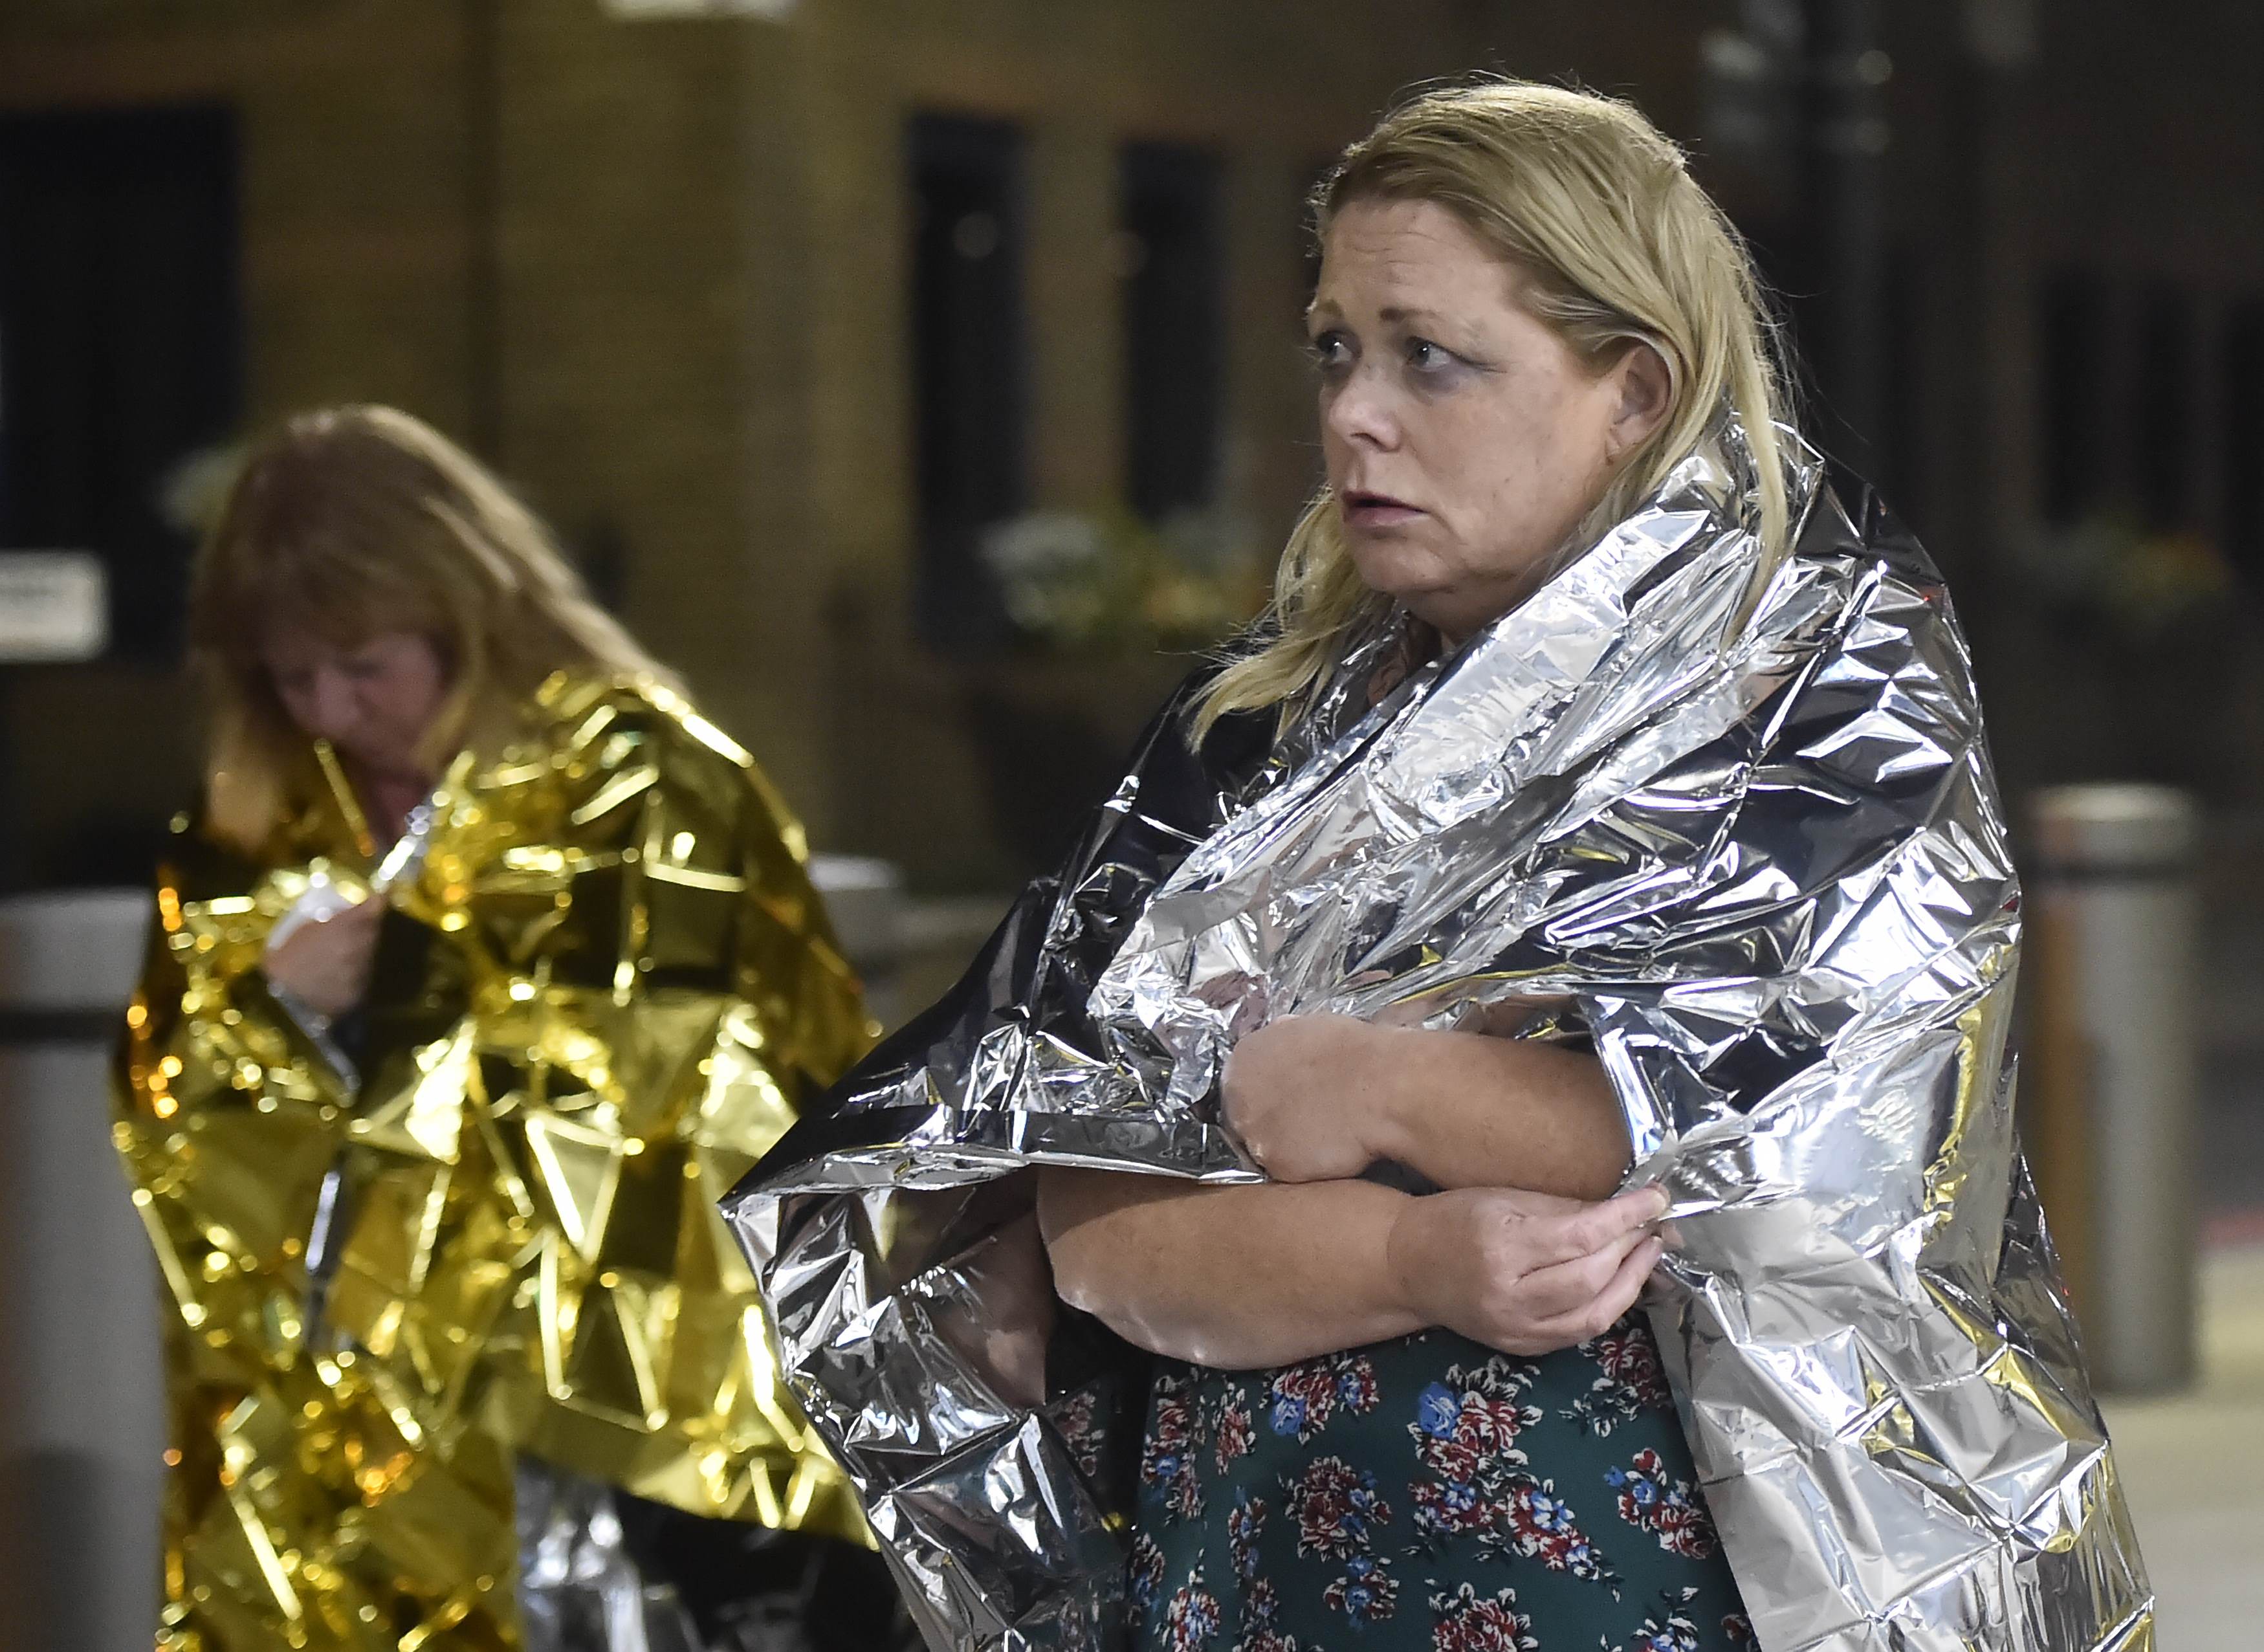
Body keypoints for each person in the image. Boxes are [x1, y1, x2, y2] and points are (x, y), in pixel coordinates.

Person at [729, 75, 2149, 1652]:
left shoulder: (1806, 706)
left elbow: (1779, 1156)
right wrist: (1417, 1247)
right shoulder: (1257, 736)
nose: (1355, 410)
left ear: (1633, 389)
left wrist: (1375, 1087)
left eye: (1432, 357)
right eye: (1336, 346)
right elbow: (1097, 1225)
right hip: (1255, 1584)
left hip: (1659, 1590)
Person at [113, 405, 904, 1651]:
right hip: (355, 1436)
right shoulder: (246, 835)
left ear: (463, 612)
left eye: (362, 662)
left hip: (621, 1415)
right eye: (288, 673)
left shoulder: (634, 773)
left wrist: (392, 989)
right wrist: (269, 1009)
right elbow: (178, 1109)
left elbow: (670, 1079)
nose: (325, 709)